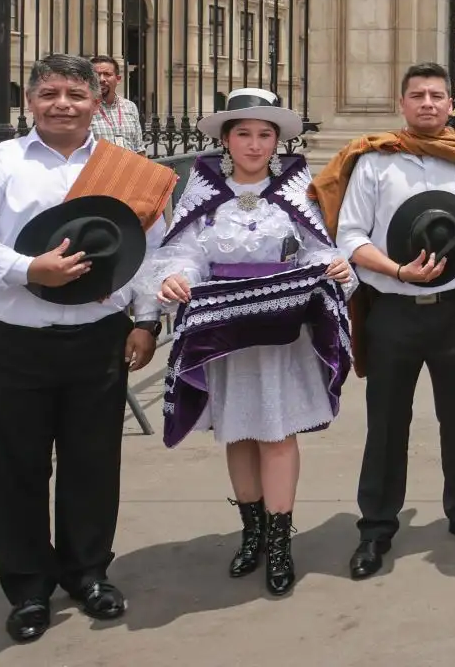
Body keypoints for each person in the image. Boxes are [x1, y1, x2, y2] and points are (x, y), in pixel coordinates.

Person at [0, 53, 175, 645]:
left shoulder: (131, 172)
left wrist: (146, 321)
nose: (62, 103)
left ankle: (88, 572)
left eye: (75, 93)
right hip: (13, 342)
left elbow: (153, 252)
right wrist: (26, 268)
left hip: (98, 341)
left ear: (98, 102)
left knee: (93, 462)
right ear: (30, 102)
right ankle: (27, 588)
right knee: (15, 469)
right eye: (49, 93)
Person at [151, 88, 355, 596]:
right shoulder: (203, 191)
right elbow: (183, 252)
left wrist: (333, 267)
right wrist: (175, 277)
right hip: (224, 330)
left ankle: (282, 541)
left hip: (280, 332)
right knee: (239, 430)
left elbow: (317, 249)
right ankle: (253, 532)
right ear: (226, 138)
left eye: (265, 134)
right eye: (244, 132)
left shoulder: (296, 191)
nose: (255, 143)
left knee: (277, 432)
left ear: (278, 141)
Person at [309, 62, 455, 579]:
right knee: (387, 423)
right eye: (417, 95)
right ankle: (376, 528)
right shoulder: (375, 161)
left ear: (450, 105)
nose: (427, 103)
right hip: (393, 313)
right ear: (403, 104)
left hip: (454, 313)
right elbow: (350, 236)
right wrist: (398, 269)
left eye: (437, 95)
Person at [88, 54, 144, 153]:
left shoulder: (130, 107)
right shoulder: (85, 108)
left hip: (129, 167)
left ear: (118, 79)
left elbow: (139, 149)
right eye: (96, 74)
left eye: (107, 74)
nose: (101, 79)